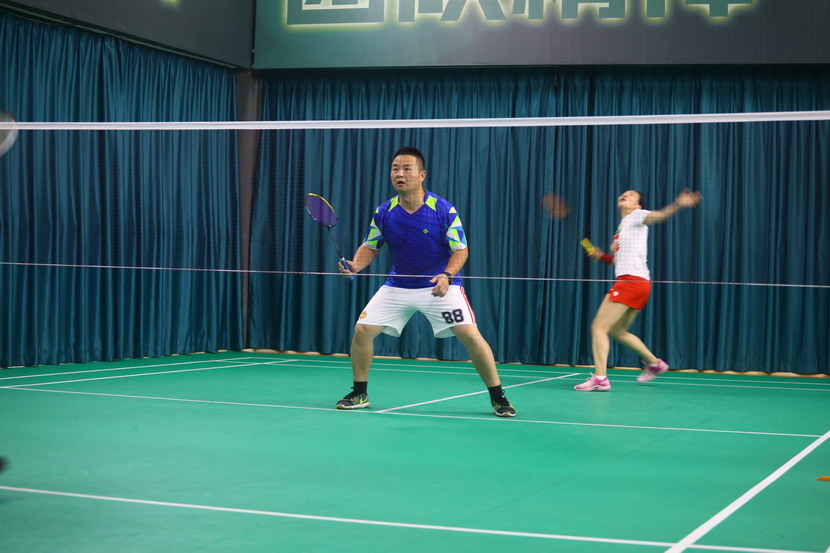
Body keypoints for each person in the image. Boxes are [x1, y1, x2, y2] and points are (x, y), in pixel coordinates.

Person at [336, 147, 516, 417]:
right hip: (398, 285)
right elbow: (371, 245)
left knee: (469, 335)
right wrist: (356, 264)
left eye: (406, 169)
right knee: (362, 330)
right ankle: (359, 392)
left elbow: (461, 250)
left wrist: (447, 274)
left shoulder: (443, 209)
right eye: (395, 169)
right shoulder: (384, 211)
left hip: (439, 286)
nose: (399, 174)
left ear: (421, 175)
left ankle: (498, 396)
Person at [574, 188, 702, 391]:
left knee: (598, 326)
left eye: (632, 195)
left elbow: (660, 215)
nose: (626, 195)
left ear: (638, 205)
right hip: (640, 284)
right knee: (617, 331)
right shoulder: (623, 227)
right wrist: (602, 256)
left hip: (630, 282)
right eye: (624, 193)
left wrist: (678, 204)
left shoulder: (637, 215)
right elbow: (619, 260)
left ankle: (600, 378)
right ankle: (654, 363)